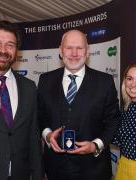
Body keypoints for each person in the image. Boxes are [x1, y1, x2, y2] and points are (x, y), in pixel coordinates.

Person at [37, 29, 120, 180]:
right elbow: (39, 115)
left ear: (87, 52)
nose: (74, 53)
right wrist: (47, 135)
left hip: (94, 170)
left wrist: (95, 145)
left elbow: (113, 121)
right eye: (69, 48)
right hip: (55, 169)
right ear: (61, 52)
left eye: (79, 48)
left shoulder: (105, 82)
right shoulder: (45, 80)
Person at [0, 21, 43, 180]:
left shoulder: (29, 87)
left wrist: (38, 175)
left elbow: (33, 138)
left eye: (10, 45)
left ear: (16, 51)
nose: (3, 50)